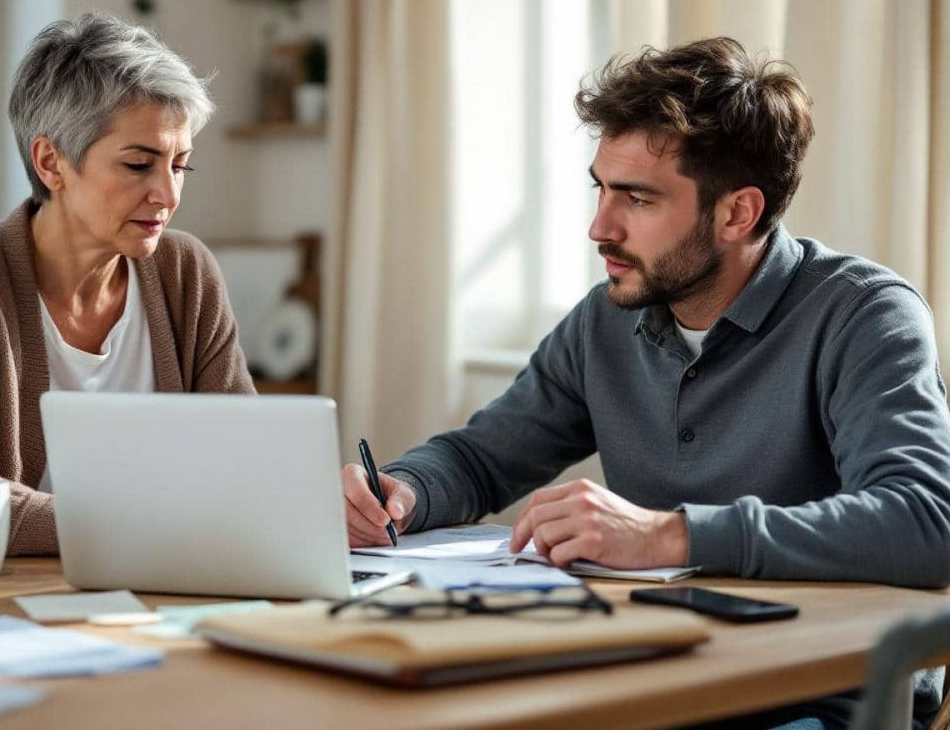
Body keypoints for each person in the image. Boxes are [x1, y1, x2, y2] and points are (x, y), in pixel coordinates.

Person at [342, 37, 950, 729]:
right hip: (652, 679)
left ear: (737, 214)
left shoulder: (864, 313)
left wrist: (670, 537)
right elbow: (482, 457)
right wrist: (403, 490)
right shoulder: (606, 318)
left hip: (819, 697)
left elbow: (926, 521)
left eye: (636, 198)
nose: (599, 226)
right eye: (600, 188)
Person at [0, 14, 253, 565]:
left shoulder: (187, 272)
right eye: (139, 164)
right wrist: (158, 521)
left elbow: (245, 460)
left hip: (130, 585)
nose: (167, 193)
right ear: (50, 163)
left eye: (180, 165)